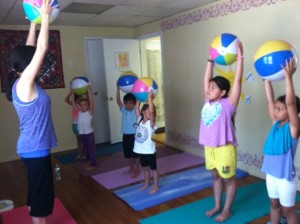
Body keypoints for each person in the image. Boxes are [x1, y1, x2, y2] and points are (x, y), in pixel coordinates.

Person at [5, 1, 58, 223]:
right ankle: (37, 218)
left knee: (37, 186)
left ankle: (31, 207)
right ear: (28, 66)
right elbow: (41, 49)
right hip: (35, 148)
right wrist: (45, 17)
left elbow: (30, 48)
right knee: (42, 195)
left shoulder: (21, 80)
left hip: (32, 147)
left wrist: (34, 24)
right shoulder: (25, 83)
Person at [199, 41, 244, 222]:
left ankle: (227, 210)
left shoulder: (229, 104)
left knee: (229, 179)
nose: (209, 89)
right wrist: (211, 59)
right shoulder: (207, 102)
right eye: (209, 87)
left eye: (213, 87)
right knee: (216, 177)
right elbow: (206, 79)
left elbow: (238, 81)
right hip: (209, 147)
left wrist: (240, 57)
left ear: (223, 92)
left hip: (225, 149)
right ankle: (217, 205)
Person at [262, 58, 300, 224]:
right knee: (274, 204)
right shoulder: (276, 124)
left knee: (288, 210)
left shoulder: (293, 128)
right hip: (271, 174)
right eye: (276, 109)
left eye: (280, 109)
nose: (275, 112)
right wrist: (267, 80)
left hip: (285, 178)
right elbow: (269, 100)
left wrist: (288, 77)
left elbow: (291, 103)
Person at [133, 90, 159, 194]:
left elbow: (152, 112)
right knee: (145, 168)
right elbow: (136, 107)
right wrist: (139, 95)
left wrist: (150, 98)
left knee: (154, 169)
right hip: (141, 150)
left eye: (151, 112)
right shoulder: (139, 120)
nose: (150, 113)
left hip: (150, 151)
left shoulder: (151, 123)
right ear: (143, 112)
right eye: (147, 111)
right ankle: (147, 184)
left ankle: (156, 186)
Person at [71, 84, 97, 172]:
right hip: (82, 134)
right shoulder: (79, 112)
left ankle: (93, 164)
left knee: (91, 149)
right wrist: (74, 92)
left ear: (88, 105)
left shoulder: (89, 112)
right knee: (85, 149)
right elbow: (73, 102)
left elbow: (91, 101)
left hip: (89, 134)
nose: (82, 106)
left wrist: (89, 90)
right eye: (81, 105)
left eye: (85, 104)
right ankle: (89, 161)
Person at [116, 87, 140, 178]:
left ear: (134, 104)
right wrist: (118, 89)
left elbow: (138, 100)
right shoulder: (123, 110)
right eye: (126, 103)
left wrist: (136, 89)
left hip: (134, 136)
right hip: (126, 136)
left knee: (136, 155)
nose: (128, 105)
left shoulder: (136, 110)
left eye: (130, 103)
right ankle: (131, 167)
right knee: (129, 154)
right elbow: (118, 101)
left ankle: (137, 169)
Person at [65, 90, 84, 159]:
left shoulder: (83, 105)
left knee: (83, 140)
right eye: (79, 98)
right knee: (78, 140)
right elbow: (66, 99)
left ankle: (84, 154)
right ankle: (80, 154)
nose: (80, 99)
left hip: (81, 125)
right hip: (75, 125)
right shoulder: (74, 104)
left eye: (81, 98)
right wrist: (71, 92)